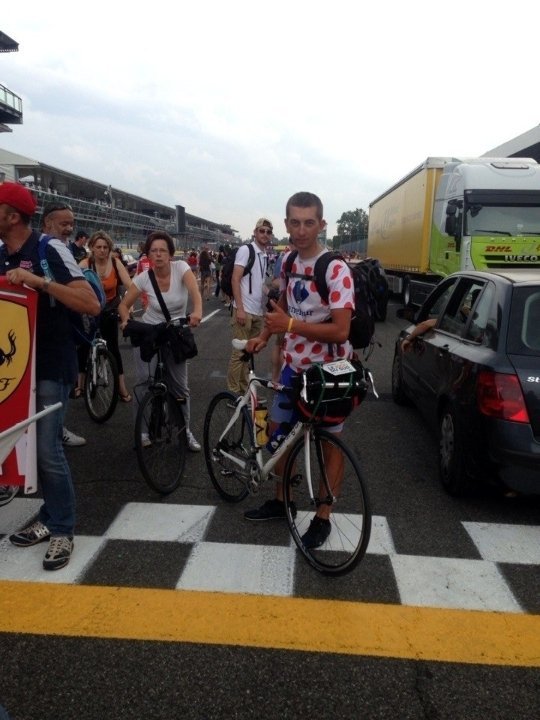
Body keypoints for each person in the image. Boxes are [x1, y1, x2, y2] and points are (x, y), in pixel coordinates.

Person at [243, 192, 355, 549]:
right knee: (280, 436)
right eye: (295, 222)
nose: (302, 230)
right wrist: (264, 336)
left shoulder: (335, 269)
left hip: (329, 373)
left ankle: (323, 517)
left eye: (309, 223)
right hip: (293, 367)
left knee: (330, 445)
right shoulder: (288, 260)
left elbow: (341, 330)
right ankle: (282, 501)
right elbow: (284, 304)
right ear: (286, 224)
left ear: (322, 224)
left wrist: (290, 325)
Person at [0, 182, 101, 570]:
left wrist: (39, 283)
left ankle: (62, 528)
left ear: (12, 216)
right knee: (23, 449)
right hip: (14, 370)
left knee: (47, 449)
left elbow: (90, 302)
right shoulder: (1, 253)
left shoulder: (49, 248)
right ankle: (48, 516)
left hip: (51, 364)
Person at [118, 231, 203, 452]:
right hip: (151, 332)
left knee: (180, 387)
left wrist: (197, 311)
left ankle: (185, 430)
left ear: (170, 254)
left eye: (162, 250)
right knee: (144, 382)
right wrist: (126, 321)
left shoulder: (181, 268)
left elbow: (194, 291)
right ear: (148, 255)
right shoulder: (143, 278)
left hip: (175, 331)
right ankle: (143, 431)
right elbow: (123, 305)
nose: (158, 254)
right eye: (153, 251)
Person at [41, 202, 87, 447]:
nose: (69, 228)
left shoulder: (65, 249)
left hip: (64, 330)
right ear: (47, 223)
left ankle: (60, 429)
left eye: (72, 224)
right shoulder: (44, 248)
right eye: (64, 223)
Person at [80, 231, 133, 401]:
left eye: (105, 247)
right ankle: (80, 383)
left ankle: (121, 388)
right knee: (84, 345)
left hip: (110, 309)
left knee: (113, 349)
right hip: (90, 309)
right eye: (98, 247)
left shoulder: (116, 263)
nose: (102, 250)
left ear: (109, 249)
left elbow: (130, 285)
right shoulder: (85, 264)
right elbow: (74, 286)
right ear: (92, 248)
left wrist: (128, 305)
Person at [226, 217, 272, 394]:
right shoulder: (246, 250)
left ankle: (244, 391)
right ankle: (233, 394)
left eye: (268, 232)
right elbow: (235, 278)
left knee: (249, 353)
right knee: (239, 354)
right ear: (255, 232)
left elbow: (260, 284)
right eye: (262, 231)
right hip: (244, 310)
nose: (265, 234)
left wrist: (271, 294)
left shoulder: (264, 255)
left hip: (257, 312)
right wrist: (240, 308)